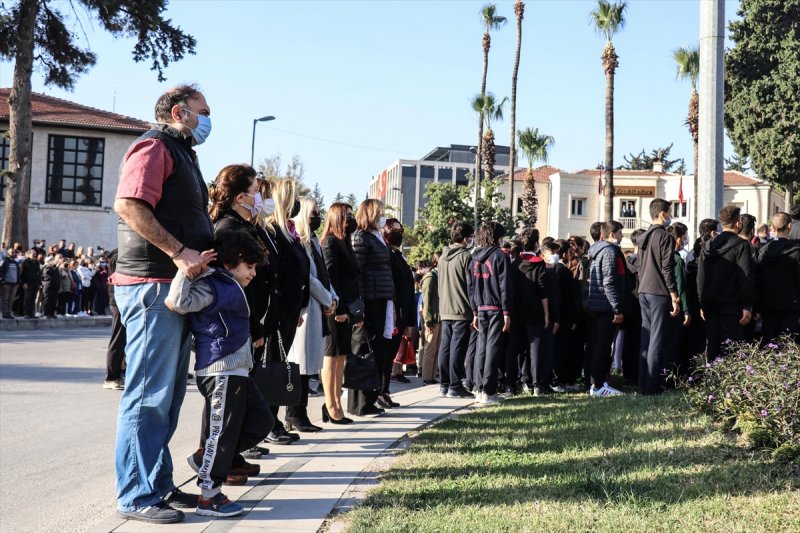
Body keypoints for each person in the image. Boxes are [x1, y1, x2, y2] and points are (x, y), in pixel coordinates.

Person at [112, 84, 215, 523]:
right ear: (179, 112)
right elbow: (129, 204)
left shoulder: (181, 151)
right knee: (147, 396)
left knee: (167, 397)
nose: (208, 120)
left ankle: (157, 485)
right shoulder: (155, 146)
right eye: (203, 112)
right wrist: (179, 251)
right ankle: (136, 495)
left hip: (170, 287)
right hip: (152, 285)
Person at [167, 230, 271, 518]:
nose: (252, 273)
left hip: (237, 370)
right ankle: (209, 497)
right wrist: (188, 270)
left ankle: (205, 459)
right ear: (230, 263)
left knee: (262, 421)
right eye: (249, 267)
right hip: (221, 370)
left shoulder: (226, 285)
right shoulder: (212, 285)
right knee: (221, 434)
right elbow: (176, 302)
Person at [210, 165, 279, 452]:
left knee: (242, 400)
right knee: (231, 402)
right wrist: (254, 325)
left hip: (251, 322)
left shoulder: (245, 227)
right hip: (237, 326)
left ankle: (232, 457)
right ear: (240, 197)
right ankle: (222, 459)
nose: (260, 197)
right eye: (255, 192)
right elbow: (233, 288)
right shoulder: (229, 229)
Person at [263, 178, 311, 437]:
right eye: (291, 198)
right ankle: (269, 423)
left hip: (291, 312)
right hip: (278, 312)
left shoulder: (290, 231)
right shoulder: (273, 231)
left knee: (279, 365)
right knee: (273, 366)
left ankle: (273, 420)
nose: (296, 204)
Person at [286, 197, 337, 432]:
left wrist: (334, 299)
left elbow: (324, 274)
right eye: (313, 212)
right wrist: (328, 298)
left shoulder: (314, 241)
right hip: (308, 308)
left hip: (319, 307)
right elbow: (308, 277)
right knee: (301, 365)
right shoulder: (300, 242)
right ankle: (296, 414)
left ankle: (300, 413)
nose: (317, 216)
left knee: (309, 365)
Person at [349, 199, 394, 417]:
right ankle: (359, 403)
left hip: (381, 298)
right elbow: (358, 272)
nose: (383, 216)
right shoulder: (361, 237)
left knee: (377, 350)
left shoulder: (376, 237)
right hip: (370, 299)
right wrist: (360, 304)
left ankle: (370, 398)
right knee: (364, 350)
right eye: (380, 213)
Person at [697, 205, 755, 359]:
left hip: (710, 303)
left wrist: (702, 302)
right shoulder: (742, 245)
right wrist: (747, 305)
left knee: (712, 345)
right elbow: (746, 277)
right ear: (738, 224)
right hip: (733, 304)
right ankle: (725, 381)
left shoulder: (707, 246)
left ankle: (710, 379)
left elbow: (701, 277)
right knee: (730, 347)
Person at [321, 202, 360, 424]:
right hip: (335, 308)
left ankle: (336, 402)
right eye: (347, 217)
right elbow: (330, 277)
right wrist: (339, 309)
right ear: (337, 218)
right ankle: (331, 404)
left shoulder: (344, 243)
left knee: (341, 356)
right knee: (331, 355)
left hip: (346, 308)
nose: (351, 221)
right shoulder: (330, 243)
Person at [636, 199, 681, 396]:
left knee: (646, 338)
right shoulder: (664, 236)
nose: (671, 216)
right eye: (670, 212)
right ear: (663, 214)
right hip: (658, 291)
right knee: (656, 339)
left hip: (644, 290)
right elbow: (667, 267)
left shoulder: (643, 237)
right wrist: (673, 294)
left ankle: (643, 382)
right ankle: (652, 386)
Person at [467, 221, 512, 405]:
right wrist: (507, 312)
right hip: (496, 309)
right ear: (497, 237)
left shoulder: (474, 257)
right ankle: (489, 390)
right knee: (492, 349)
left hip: (480, 308)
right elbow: (505, 286)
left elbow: (470, 286)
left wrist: (475, 310)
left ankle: (479, 388)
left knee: (481, 348)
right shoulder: (501, 256)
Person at [586, 221, 626, 397]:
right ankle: (599, 385)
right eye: (620, 233)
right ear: (612, 234)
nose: (622, 236)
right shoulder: (609, 252)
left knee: (597, 345)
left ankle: (597, 382)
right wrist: (617, 308)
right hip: (605, 305)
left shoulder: (596, 250)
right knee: (602, 346)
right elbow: (609, 281)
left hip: (596, 303)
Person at [437, 222, 476, 399]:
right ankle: (455, 385)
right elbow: (471, 286)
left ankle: (444, 384)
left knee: (445, 346)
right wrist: (475, 310)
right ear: (466, 237)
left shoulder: (443, 256)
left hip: (445, 307)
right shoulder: (466, 257)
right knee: (457, 348)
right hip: (461, 308)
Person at [384, 218, 416, 403]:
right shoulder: (387, 254)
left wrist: (410, 321)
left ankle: (385, 390)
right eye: (395, 230)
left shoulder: (398, 255)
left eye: (400, 230)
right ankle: (381, 391)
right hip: (393, 312)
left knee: (392, 354)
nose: (398, 234)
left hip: (403, 313)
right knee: (387, 354)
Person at [756, 212, 800, 344]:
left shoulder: (763, 251)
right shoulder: (797, 250)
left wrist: (757, 306)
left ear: (772, 228)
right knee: (788, 344)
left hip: (768, 304)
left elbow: (758, 280)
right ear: (790, 226)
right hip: (791, 304)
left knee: (769, 342)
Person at [516, 228, 550, 396]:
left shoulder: (515, 262)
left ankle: (522, 380)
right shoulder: (539, 263)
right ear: (537, 243)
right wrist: (546, 314)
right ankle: (536, 384)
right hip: (535, 310)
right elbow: (543, 291)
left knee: (519, 349)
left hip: (517, 311)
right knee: (535, 349)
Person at [665, 222, 692, 377]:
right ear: (678, 239)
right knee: (674, 344)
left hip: (663, 304)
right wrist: (686, 310)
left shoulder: (663, 256)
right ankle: (672, 377)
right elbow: (680, 286)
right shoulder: (676, 259)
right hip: (676, 306)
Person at [104, 249, 127, 390]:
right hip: (119, 301)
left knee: (126, 340)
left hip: (122, 300)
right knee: (118, 339)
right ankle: (111, 377)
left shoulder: (120, 254)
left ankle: (121, 372)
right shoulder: (119, 257)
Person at [419, 251, 442, 385]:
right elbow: (426, 301)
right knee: (430, 348)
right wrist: (428, 321)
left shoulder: (438, 276)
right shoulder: (430, 277)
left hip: (438, 317)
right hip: (432, 319)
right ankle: (427, 376)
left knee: (436, 348)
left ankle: (432, 376)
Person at [19, 249, 42, 319]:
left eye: (35, 254)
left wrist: (39, 283)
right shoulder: (25, 262)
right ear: (28, 254)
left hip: (35, 284)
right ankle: (26, 313)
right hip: (28, 283)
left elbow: (38, 274)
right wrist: (23, 283)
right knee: (27, 299)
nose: (34, 255)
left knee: (33, 298)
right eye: (33, 254)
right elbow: (21, 274)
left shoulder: (37, 263)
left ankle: (31, 313)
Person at [0, 249, 20, 318]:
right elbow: (1, 272)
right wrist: (3, 281)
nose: (14, 253)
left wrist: (18, 282)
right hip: (6, 284)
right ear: (8, 254)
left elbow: (18, 273)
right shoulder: (5, 262)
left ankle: (9, 313)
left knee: (11, 300)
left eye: (15, 252)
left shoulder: (16, 262)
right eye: (12, 252)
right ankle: (5, 314)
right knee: (5, 300)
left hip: (14, 284)